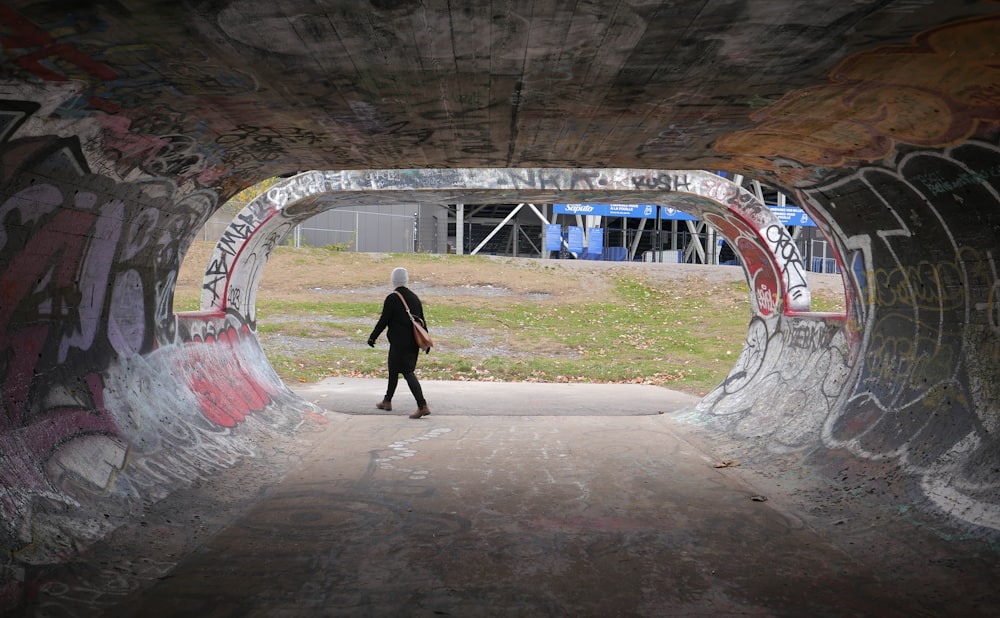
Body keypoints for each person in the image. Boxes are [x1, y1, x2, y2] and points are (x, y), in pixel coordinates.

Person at [367, 267, 431, 419]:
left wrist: (373, 337)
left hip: (399, 343)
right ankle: (387, 401)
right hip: (413, 343)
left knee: (408, 372)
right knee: (393, 370)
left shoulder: (392, 298)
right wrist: (426, 340)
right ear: (406, 280)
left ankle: (422, 405)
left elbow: (384, 320)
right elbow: (421, 321)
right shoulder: (414, 297)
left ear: (393, 280)